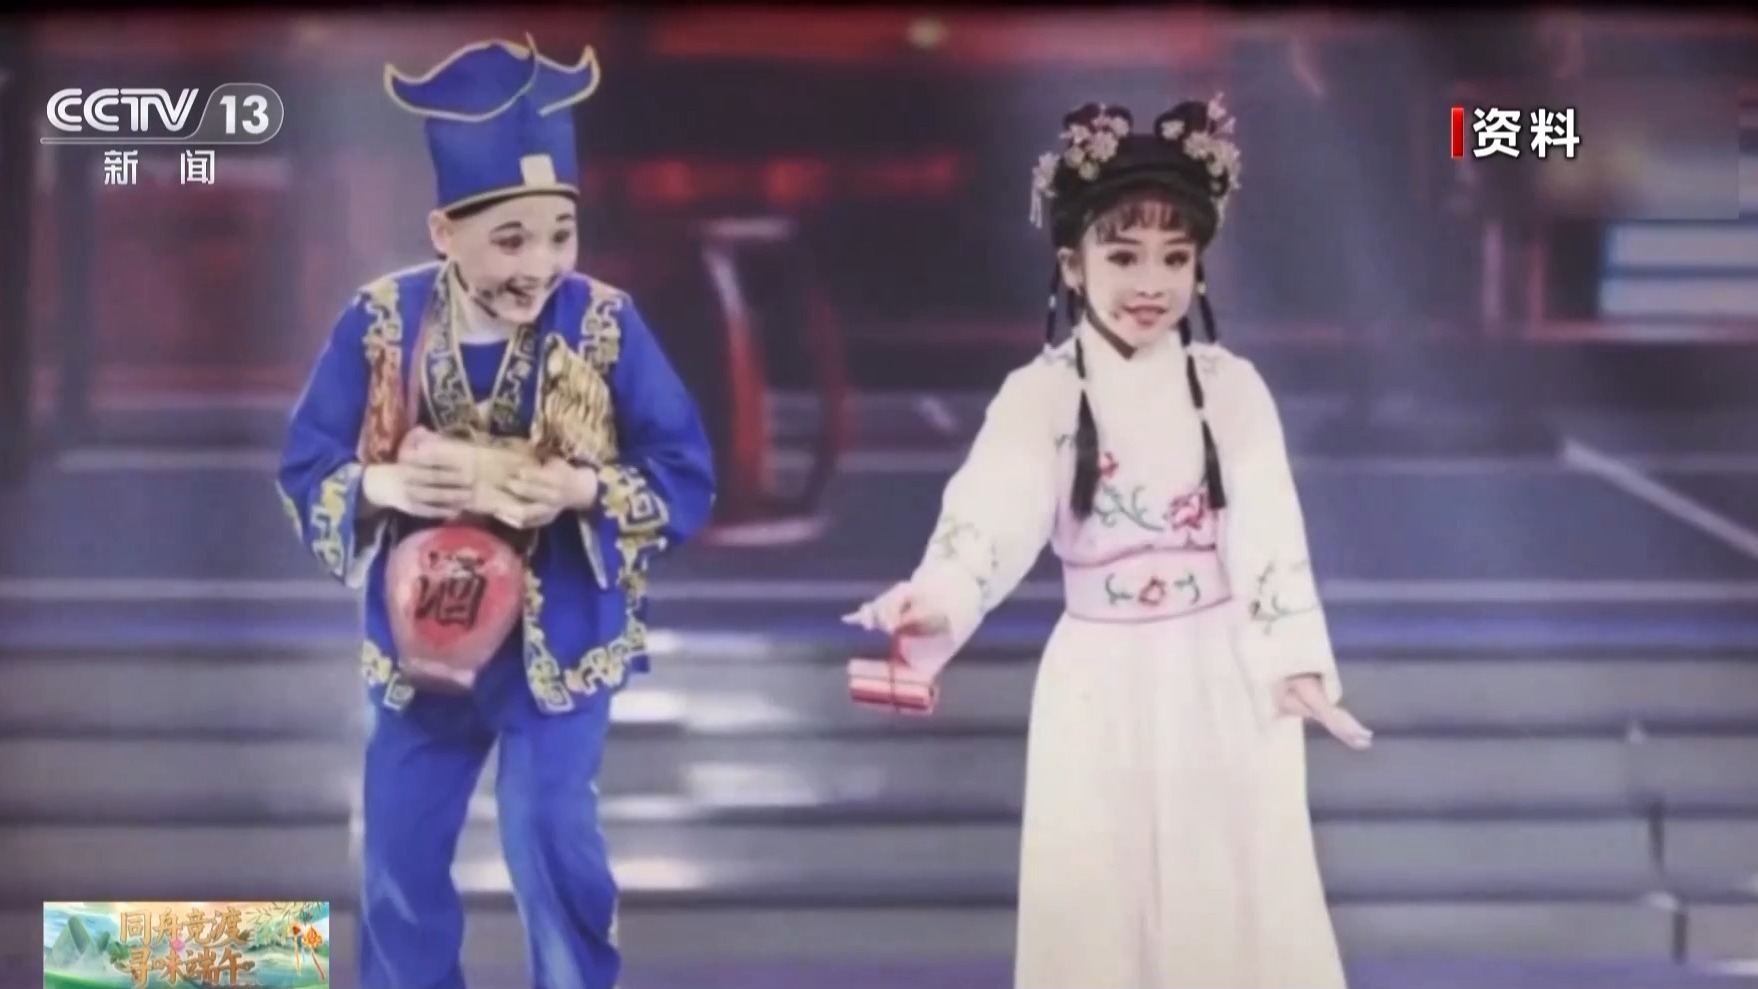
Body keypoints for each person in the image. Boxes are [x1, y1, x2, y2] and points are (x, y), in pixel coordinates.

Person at [844, 96, 1372, 989]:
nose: (1150, 282)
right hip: (1099, 678)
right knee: (1097, 907)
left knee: (1234, 901)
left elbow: (1271, 531)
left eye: (1175, 257)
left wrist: (1295, 664)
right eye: (1123, 256)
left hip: (1221, 672)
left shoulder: (1232, 388)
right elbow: (992, 513)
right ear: (1072, 264)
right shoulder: (1040, 396)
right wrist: (938, 597)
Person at [276, 37, 716, 989]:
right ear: (444, 231)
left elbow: (685, 469)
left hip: (558, 644)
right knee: (394, 851)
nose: (540, 264)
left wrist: (582, 490)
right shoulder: (381, 321)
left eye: (560, 235)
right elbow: (306, 463)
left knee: (547, 834)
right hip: (423, 639)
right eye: (511, 240)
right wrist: (382, 486)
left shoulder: (604, 324)